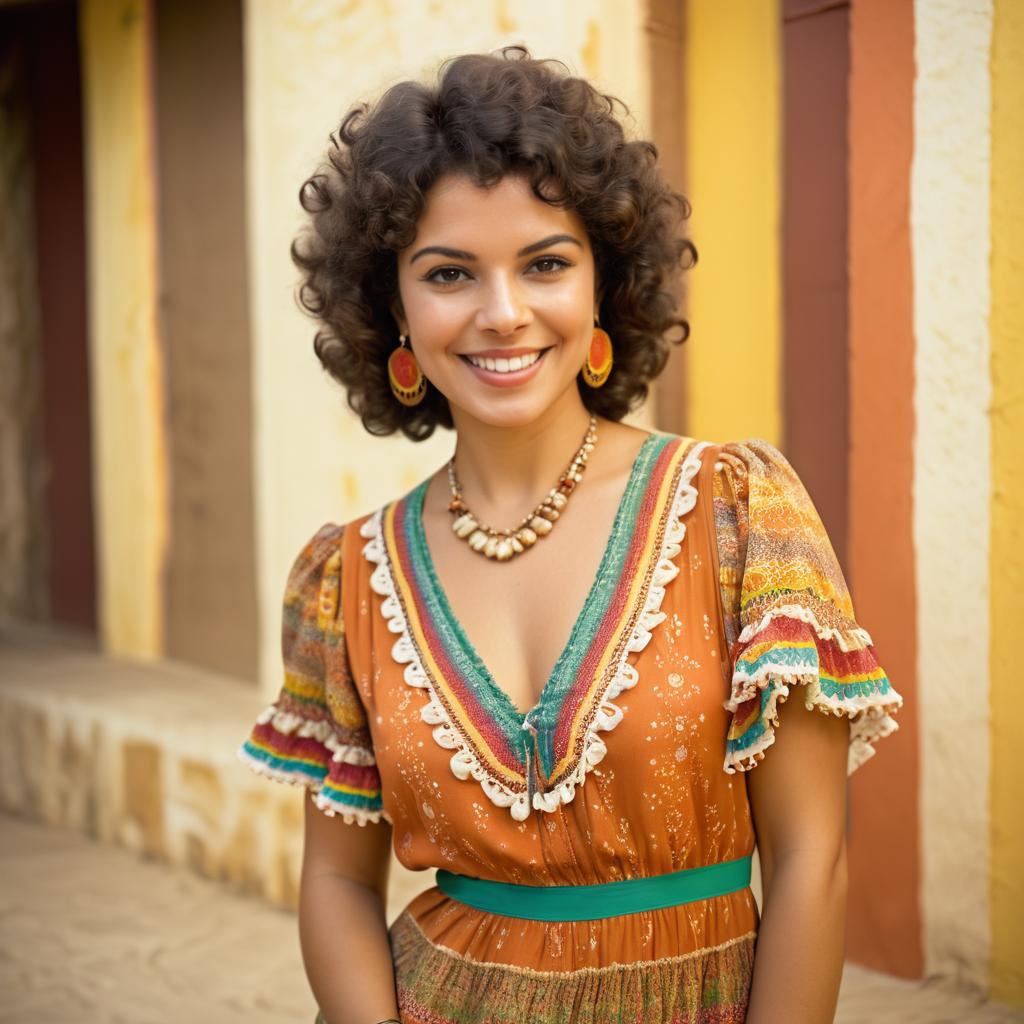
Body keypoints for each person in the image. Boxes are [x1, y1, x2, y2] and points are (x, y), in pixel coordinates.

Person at [237, 47, 902, 1024]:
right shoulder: (346, 581)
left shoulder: (736, 514)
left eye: (544, 263)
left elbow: (813, 858)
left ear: (604, 284)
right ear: (395, 311)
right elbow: (336, 881)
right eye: (449, 272)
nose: (503, 314)